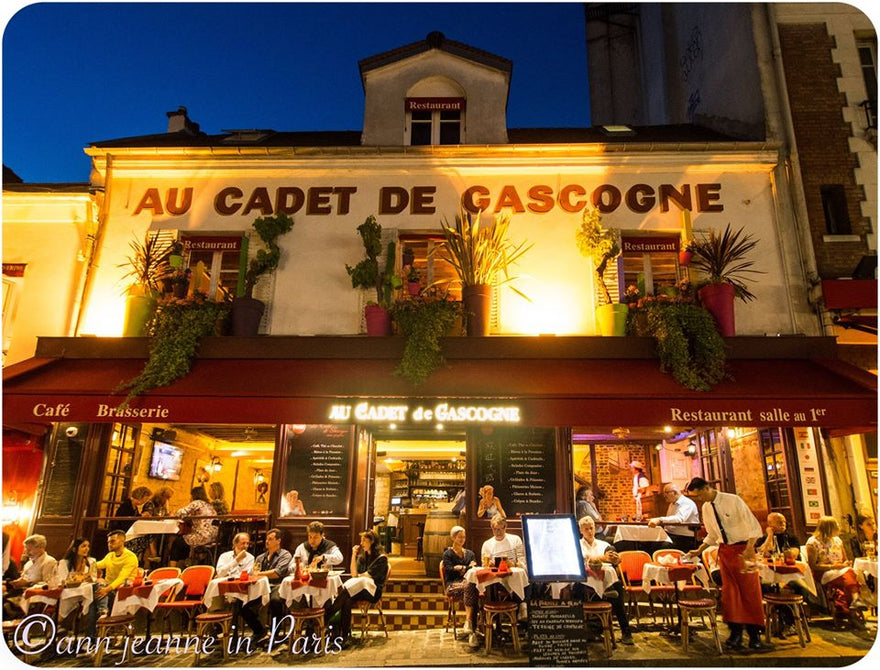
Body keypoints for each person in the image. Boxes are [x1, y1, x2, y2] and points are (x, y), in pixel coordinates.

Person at [686, 477, 769, 652]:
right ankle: (735, 635)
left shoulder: (733, 500)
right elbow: (712, 534)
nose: (699, 500)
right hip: (725, 552)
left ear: (707, 488)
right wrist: (698, 550)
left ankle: (755, 636)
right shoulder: (707, 508)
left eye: (700, 495)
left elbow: (754, 527)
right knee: (731, 596)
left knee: (749, 594)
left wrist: (749, 548)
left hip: (743, 550)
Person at [573, 516, 634, 645]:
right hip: (584, 583)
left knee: (617, 591)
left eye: (591, 528)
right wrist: (603, 558)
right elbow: (584, 559)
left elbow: (610, 559)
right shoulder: (577, 545)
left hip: (605, 580)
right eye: (586, 529)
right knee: (576, 589)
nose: (590, 531)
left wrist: (614, 559)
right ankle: (580, 631)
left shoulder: (604, 545)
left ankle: (626, 632)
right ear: (581, 531)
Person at [327, 530, 389, 646]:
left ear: (372, 542)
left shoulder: (381, 559)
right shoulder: (363, 557)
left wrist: (359, 575)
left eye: (364, 540)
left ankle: (327, 617)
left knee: (346, 593)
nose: (361, 543)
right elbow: (354, 574)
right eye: (361, 540)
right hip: (360, 590)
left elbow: (367, 576)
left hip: (373, 592)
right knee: (347, 601)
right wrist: (353, 555)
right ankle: (345, 636)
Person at [806, 516, 866, 629]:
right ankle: (855, 601)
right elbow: (813, 565)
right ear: (829, 528)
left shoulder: (837, 540)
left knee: (851, 573)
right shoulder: (813, 542)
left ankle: (849, 609)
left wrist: (845, 563)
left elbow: (844, 559)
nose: (838, 527)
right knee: (849, 575)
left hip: (840, 570)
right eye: (836, 525)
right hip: (824, 572)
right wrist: (834, 566)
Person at [241, 528, 292, 645]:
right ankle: (259, 630)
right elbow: (253, 573)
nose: (267, 541)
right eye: (266, 539)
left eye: (270, 539)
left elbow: (277, 573)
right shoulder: (260, 557)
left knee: (275, 601)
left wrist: (259, 574)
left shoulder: (285, 555)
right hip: (261, 587)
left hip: (277, 585)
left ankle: (275, 634)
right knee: (243, 605)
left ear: (278, 541)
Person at [756, 513, 803, 637]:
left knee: (789, 589)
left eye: (784, 522)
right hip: (770, 575)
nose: (783, 525)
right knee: (764, 588)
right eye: (779, 522)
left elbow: (793, 554)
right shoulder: (764, 538)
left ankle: (789, 623)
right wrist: (770, 536)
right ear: (770, 525)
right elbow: (762, 553)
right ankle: (774, 621)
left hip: (790, 575)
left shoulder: (791, 537)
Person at [86, 529, 140, 635]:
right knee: (92, 598)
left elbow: (122, 578)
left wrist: (106, 589)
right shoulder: (110, 556)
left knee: (94, 599)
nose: (109, 544)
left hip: (122, 592)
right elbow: (98, 564)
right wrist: (85, 561)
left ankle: (92, 636)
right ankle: (101, 615)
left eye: (112, 541)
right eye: (108, 542)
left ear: (122, 541)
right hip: (106, 590)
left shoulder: (130, 557)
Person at [480, 514, 527, 619]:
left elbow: (522, 561)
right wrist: (490, 565)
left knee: (524, 573)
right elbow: (484, 565)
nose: (498, 532)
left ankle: (521, 608)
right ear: (492, 528)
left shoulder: (515, 540)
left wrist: (513, 564)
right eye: (495, 529)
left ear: (506, 527)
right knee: (491, 583)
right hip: (497, 579)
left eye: (501, 529)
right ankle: (495, 620)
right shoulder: (487, 544)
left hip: (514, 575)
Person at [441, 525, 479, 646]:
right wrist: (466, 568)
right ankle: (473, 628)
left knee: (472, 588)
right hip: (453, 585)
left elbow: (474, 568)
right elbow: (449, 570)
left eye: (464, 537)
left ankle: (470, 629)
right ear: (453, 538)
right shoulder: (447, 554)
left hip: (468, 585)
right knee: (472, 588)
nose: (462, 539)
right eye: (459, 537)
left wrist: (461, 568)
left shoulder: (470, 554)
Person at [169, 487, 218, 567]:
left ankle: (172, 569)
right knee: (183, 541)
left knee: (177, 542)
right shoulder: (209, 505)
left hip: (201, 537)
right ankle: (186, 564)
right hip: (213, 537)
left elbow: (181, 512)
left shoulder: (197, 503)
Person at [648, 483, 700, 552]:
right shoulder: (672, 504)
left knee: (660, 547)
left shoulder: (687, 503)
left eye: (666, 492)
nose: (664, 495)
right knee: (649, 542)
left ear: (674, 493)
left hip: (684, 538)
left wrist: (660, 519)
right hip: (671, 535)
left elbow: (679, 519)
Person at [111, 486, 153, 562]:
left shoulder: (134, 507)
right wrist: (141, 516)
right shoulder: (127, 505)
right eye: (145, 498)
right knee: (144, 540)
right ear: (141, 496)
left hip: (127, 532)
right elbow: (127, 520)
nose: (145, 501)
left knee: (147, 538)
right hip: (120, 532)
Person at [141, 486, 174, 565]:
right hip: (147, 529)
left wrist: (168, 513)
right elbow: (148, 518)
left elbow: (164, 515)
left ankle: (163, 560)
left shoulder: (161, 505)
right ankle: (153, 555)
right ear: (162, 496)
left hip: (157, 529)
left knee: (170, 538)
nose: (168, 500)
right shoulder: (150, 504)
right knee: (151, 536)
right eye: (167, 498)